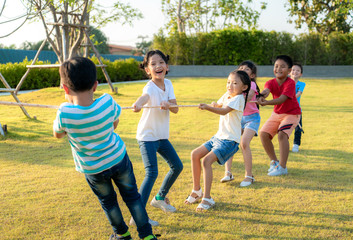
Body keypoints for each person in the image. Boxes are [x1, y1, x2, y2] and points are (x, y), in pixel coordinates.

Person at [53, 57, 157, 240]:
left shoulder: (64, 112)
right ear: (95, 85)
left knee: (108, 203)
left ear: (65, 88)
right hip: (118, 159)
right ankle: (147, 236)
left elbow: (58, 134)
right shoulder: (107, 102)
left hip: (93, 169)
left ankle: (122, 235)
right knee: (132, 196)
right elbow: (114, 124)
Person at [185, 70, 251, 211]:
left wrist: (208, 108)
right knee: (194, 154)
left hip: (229, 141)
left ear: (244, 87)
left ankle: (207, 198)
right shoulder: (227, 95)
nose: (230, 85)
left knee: (206, 161)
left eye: (234, 83)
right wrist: (214, 104)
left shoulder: (239, 98)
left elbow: (224, 111)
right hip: (218, 137)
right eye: (228, 82)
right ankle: (197, 191)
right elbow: (220, 105)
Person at [132, 50, 183, 226]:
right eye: (152, 64)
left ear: (167, 66)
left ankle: (159, 197)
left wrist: (169, 105)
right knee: (151, 172)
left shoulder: (168, 84)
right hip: (147, 137)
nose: (157, 66)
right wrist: (138, 104)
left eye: (160, 62)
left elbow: (176, 108)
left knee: (177, 166)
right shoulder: (149, 86)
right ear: (147, 70)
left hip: (161, 136)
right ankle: (138, 216)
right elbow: (145, 97)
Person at [257, 55, 301, 176]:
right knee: (263, 134)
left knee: (282, 135)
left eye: (282, 66)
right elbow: (266, 91)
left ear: (289, 70)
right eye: (276, 66)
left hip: (292, 114)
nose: (278, 69)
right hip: (277, 114)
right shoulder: (270, 82)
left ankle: (282, 167)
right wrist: (261, 96)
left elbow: (282, 99)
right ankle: (275, 162)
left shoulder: (290, 83)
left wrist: (266, 103)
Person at [220, 60, 261, 187]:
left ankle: (249, 176)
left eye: (246, 69)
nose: (243, 70)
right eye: (241, 68)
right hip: (239, 118)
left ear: (252, 75)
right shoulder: (234, 87)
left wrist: (234, 98)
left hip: (252, 119)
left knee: (244, 143)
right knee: (231, 142)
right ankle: (228, 173)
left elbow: (247, 98)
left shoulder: (251, 85)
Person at [290, 63, 306, 153]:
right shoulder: (286, 82)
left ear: (301, 74)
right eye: (293, 70)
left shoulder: (302, 84)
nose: (295, 72)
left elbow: (298, 94)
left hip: (296, 109)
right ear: (289, 72)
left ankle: (296, 144)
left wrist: (289, 97)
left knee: (298, 128)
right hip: (286, 110)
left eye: (298, 70)